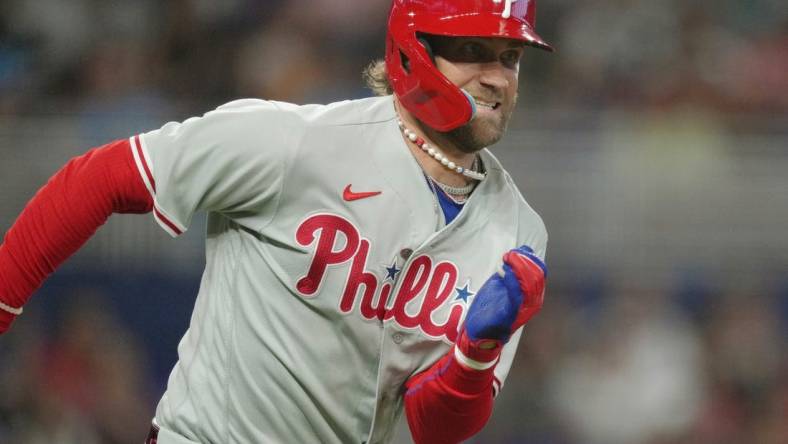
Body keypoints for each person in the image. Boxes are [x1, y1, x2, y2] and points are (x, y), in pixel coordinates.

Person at [0, 0, 552, 442]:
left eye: (510, 59)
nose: (497, 79)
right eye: (475, 51)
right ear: (416, 50)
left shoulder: (518, 233)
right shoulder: (296, 143)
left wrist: (475, 355)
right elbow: (98, 179)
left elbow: (433, 429)